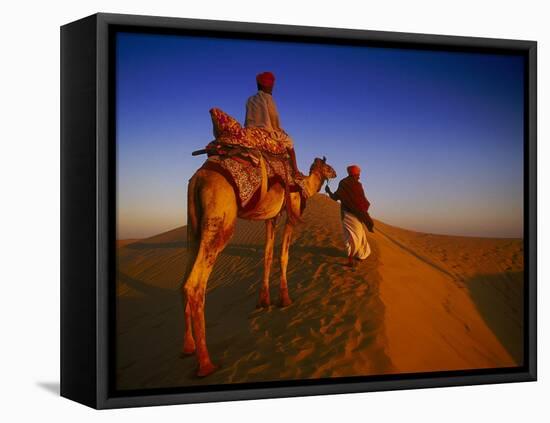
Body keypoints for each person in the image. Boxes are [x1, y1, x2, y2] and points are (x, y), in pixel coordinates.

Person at [245, 71, 302, 177]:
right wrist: (280, 130)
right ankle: (295, 171)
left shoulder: (250, 99)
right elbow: (274, 119)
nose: (272, 88)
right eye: (271, 86)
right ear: (267, 86)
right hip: (265, 132)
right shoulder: (268, 98)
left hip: (249, 131)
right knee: (290, 142)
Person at [325, 165, 374, 267]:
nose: (359, 175)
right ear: (353, 173)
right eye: (358, 173)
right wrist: (329, 191)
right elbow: (336, 197)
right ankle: (350, 260)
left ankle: (360, 255)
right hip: (348, 214)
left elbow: (360, 201)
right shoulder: (345, 184)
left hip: (356, 214)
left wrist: (329, 192)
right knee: (352, 237)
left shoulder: (351, 184)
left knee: (360, 235)